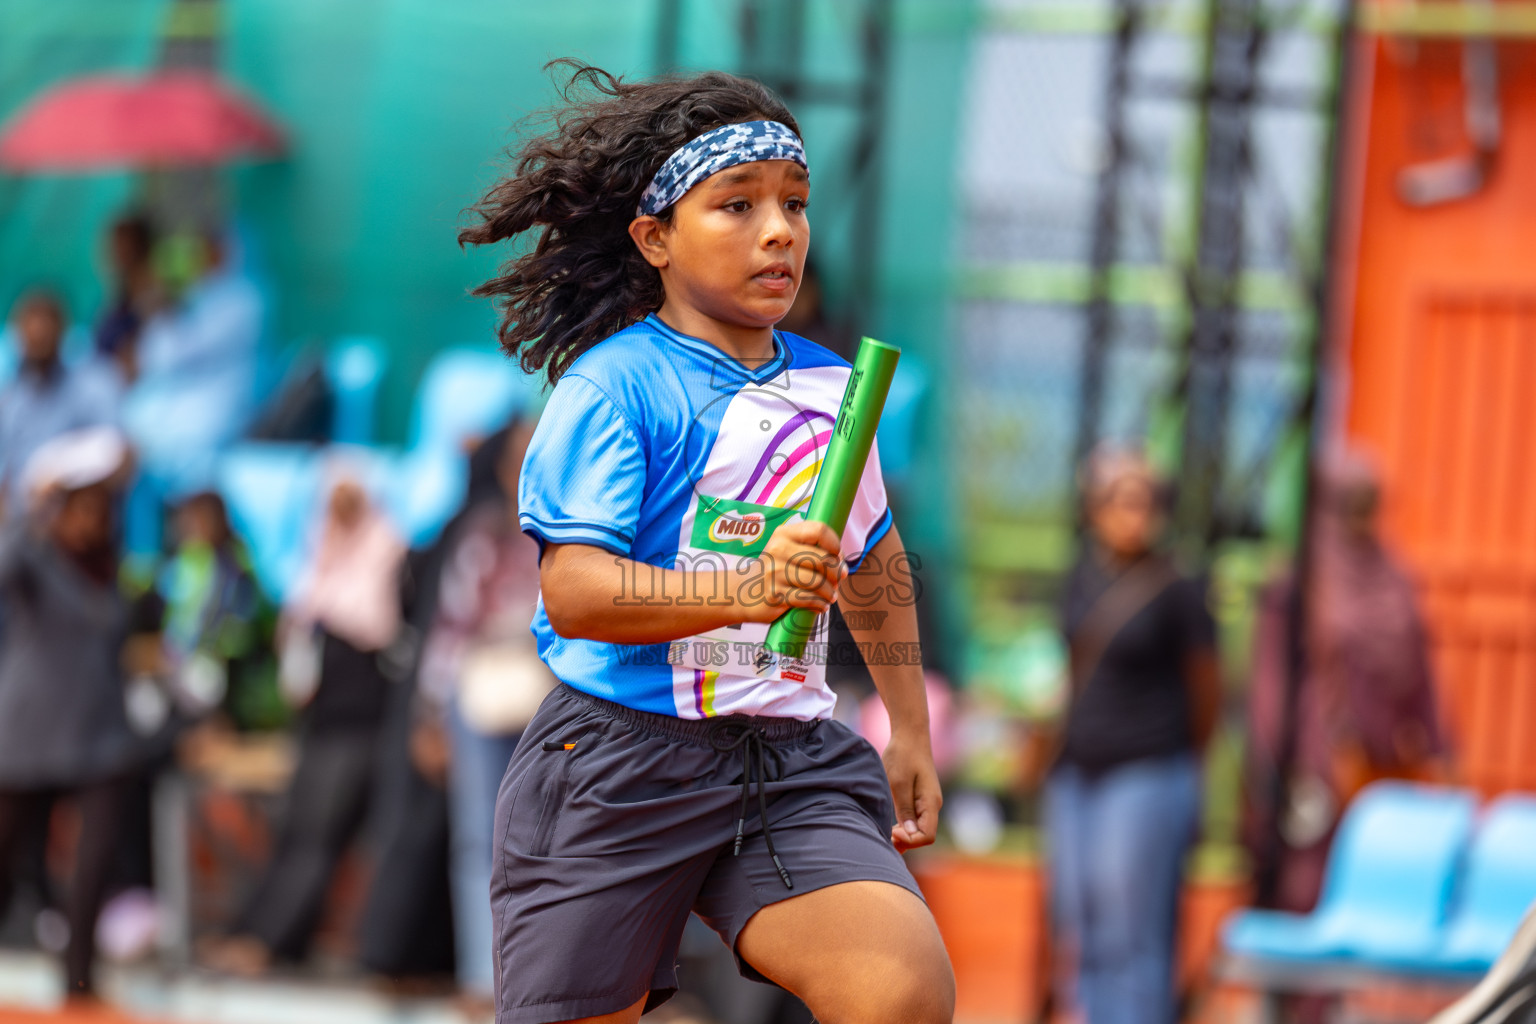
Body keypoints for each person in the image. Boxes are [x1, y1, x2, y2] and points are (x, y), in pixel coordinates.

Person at [458, 62, 953, 1024]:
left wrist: (912, 730)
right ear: (655, 239)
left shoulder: (833, 389)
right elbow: (578, 594)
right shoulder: (613, 388)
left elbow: (875, 563)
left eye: (796, 205)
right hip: (616, 765)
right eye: (737, 206)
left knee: (901, 993)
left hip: (788, 762)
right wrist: (750, 592)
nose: (780, 231)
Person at [200, 468, 405, 974]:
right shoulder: (320, 566)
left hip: (360, 728)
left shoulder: (391, 561)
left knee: (319, 836)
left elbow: (390, 639)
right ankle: (251, 932)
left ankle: (271, 943)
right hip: (321, 724)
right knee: (293, 831)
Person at [1043, 446, 1220, 1024]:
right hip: (1077, 770)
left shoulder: (1177, 588)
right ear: (1094, 507)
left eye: (1146, 500)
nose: (1135, 512)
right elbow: (1067, 670)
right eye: (1121, 499)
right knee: (1082, 921)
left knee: (1131, 932)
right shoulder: (1080, 575)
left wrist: (1190, 766)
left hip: (1146, 770)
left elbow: (1209, 690)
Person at [1243, 452, 1445, 914]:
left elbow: (1420, 670)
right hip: (1312, 758)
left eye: (1368, 502)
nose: (1359, 514)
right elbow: (1268, 677)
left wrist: (1437, 743)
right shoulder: (1298, 579)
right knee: (1302, 883)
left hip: (1380, 764)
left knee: (1369, 884)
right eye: (1348, 502)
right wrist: (1272, 760)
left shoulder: (1391, 575)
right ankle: (1295, 988)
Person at [411, 419, 554, 1008]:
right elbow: (450, 628)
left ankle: (541, 981)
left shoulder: (582, 532)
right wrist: (429, 713)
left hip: (554, 702)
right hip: (479, 696)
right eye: (517, 454)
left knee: (549, 845)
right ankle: (483, 978)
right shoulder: (485, 533)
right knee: (480, 841)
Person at [0, 426, 138, 1000]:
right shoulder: (33, 560)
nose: (89, 524)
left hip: (100, 733)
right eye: (78, 513)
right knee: (4, 856)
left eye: (98, 514)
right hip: (30, 733)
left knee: (95, 858)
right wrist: (31, 511)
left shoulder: (111, 572)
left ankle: (78, 978)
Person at [0, 292, 123, 516]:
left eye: (45, 327)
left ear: (62, 330)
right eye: (30, 328)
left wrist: (59, 472)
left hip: (72, 515)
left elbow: (116, 450)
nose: (38, 336)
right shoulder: (10, 399)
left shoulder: (91, 385)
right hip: (22, 520)